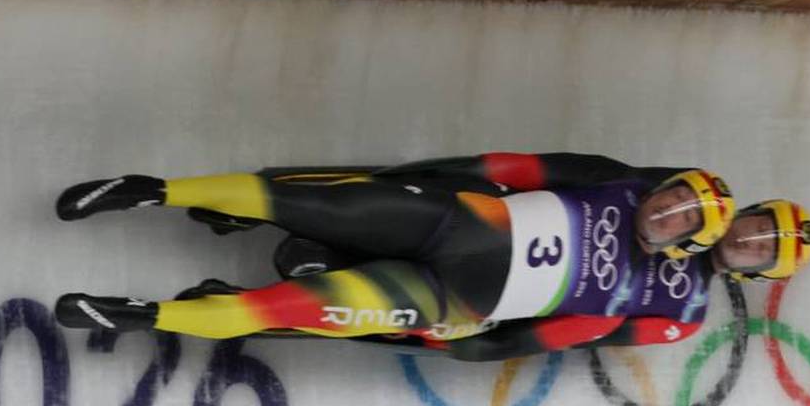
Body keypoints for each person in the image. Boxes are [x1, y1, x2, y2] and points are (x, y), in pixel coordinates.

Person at [51, 152, 748, 360]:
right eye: (675, 196)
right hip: (460, 221)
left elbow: (546, 336)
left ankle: (149, 316)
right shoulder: (614, 181)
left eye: (680, 219)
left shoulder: (630, 303)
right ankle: (150, 189)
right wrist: (436, 172)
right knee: (314, 205)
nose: (665, 212)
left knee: (293, 309)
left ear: (684, 246)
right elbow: (522, 165)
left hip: (456, 303)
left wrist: (459, 345)